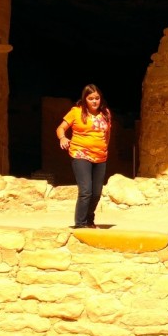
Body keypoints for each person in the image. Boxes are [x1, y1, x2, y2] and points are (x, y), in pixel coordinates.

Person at [56, 84, 111, 229]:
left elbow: (107, 134)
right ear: (85, 99)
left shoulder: (105, 113)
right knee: (86, 190)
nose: (94, 101)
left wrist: (105, 148)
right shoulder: (76, 111)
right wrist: (62, 138)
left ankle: (89, 220)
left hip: (100, 156)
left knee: (96, 193)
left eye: (97, 98)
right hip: (80, 153)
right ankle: (80, 224)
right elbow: (61, 127)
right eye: (91, 98)